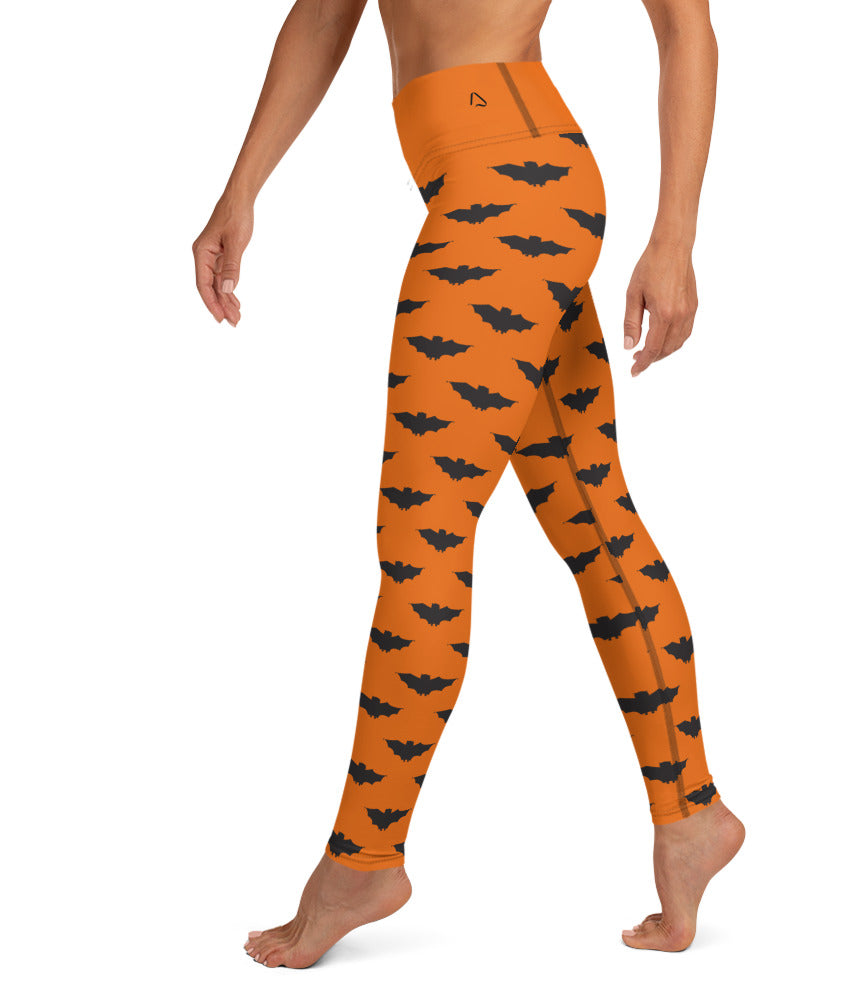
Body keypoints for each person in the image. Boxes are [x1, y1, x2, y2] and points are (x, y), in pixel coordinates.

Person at [192, 0, 744, 966]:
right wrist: (242, 191)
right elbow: (323, 15)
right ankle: (691, 813)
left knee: (424, 536)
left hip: (514, 191)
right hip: (489, 185)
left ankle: (364, 858)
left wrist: (675, 238)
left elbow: (685, 26)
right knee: (594, 519)